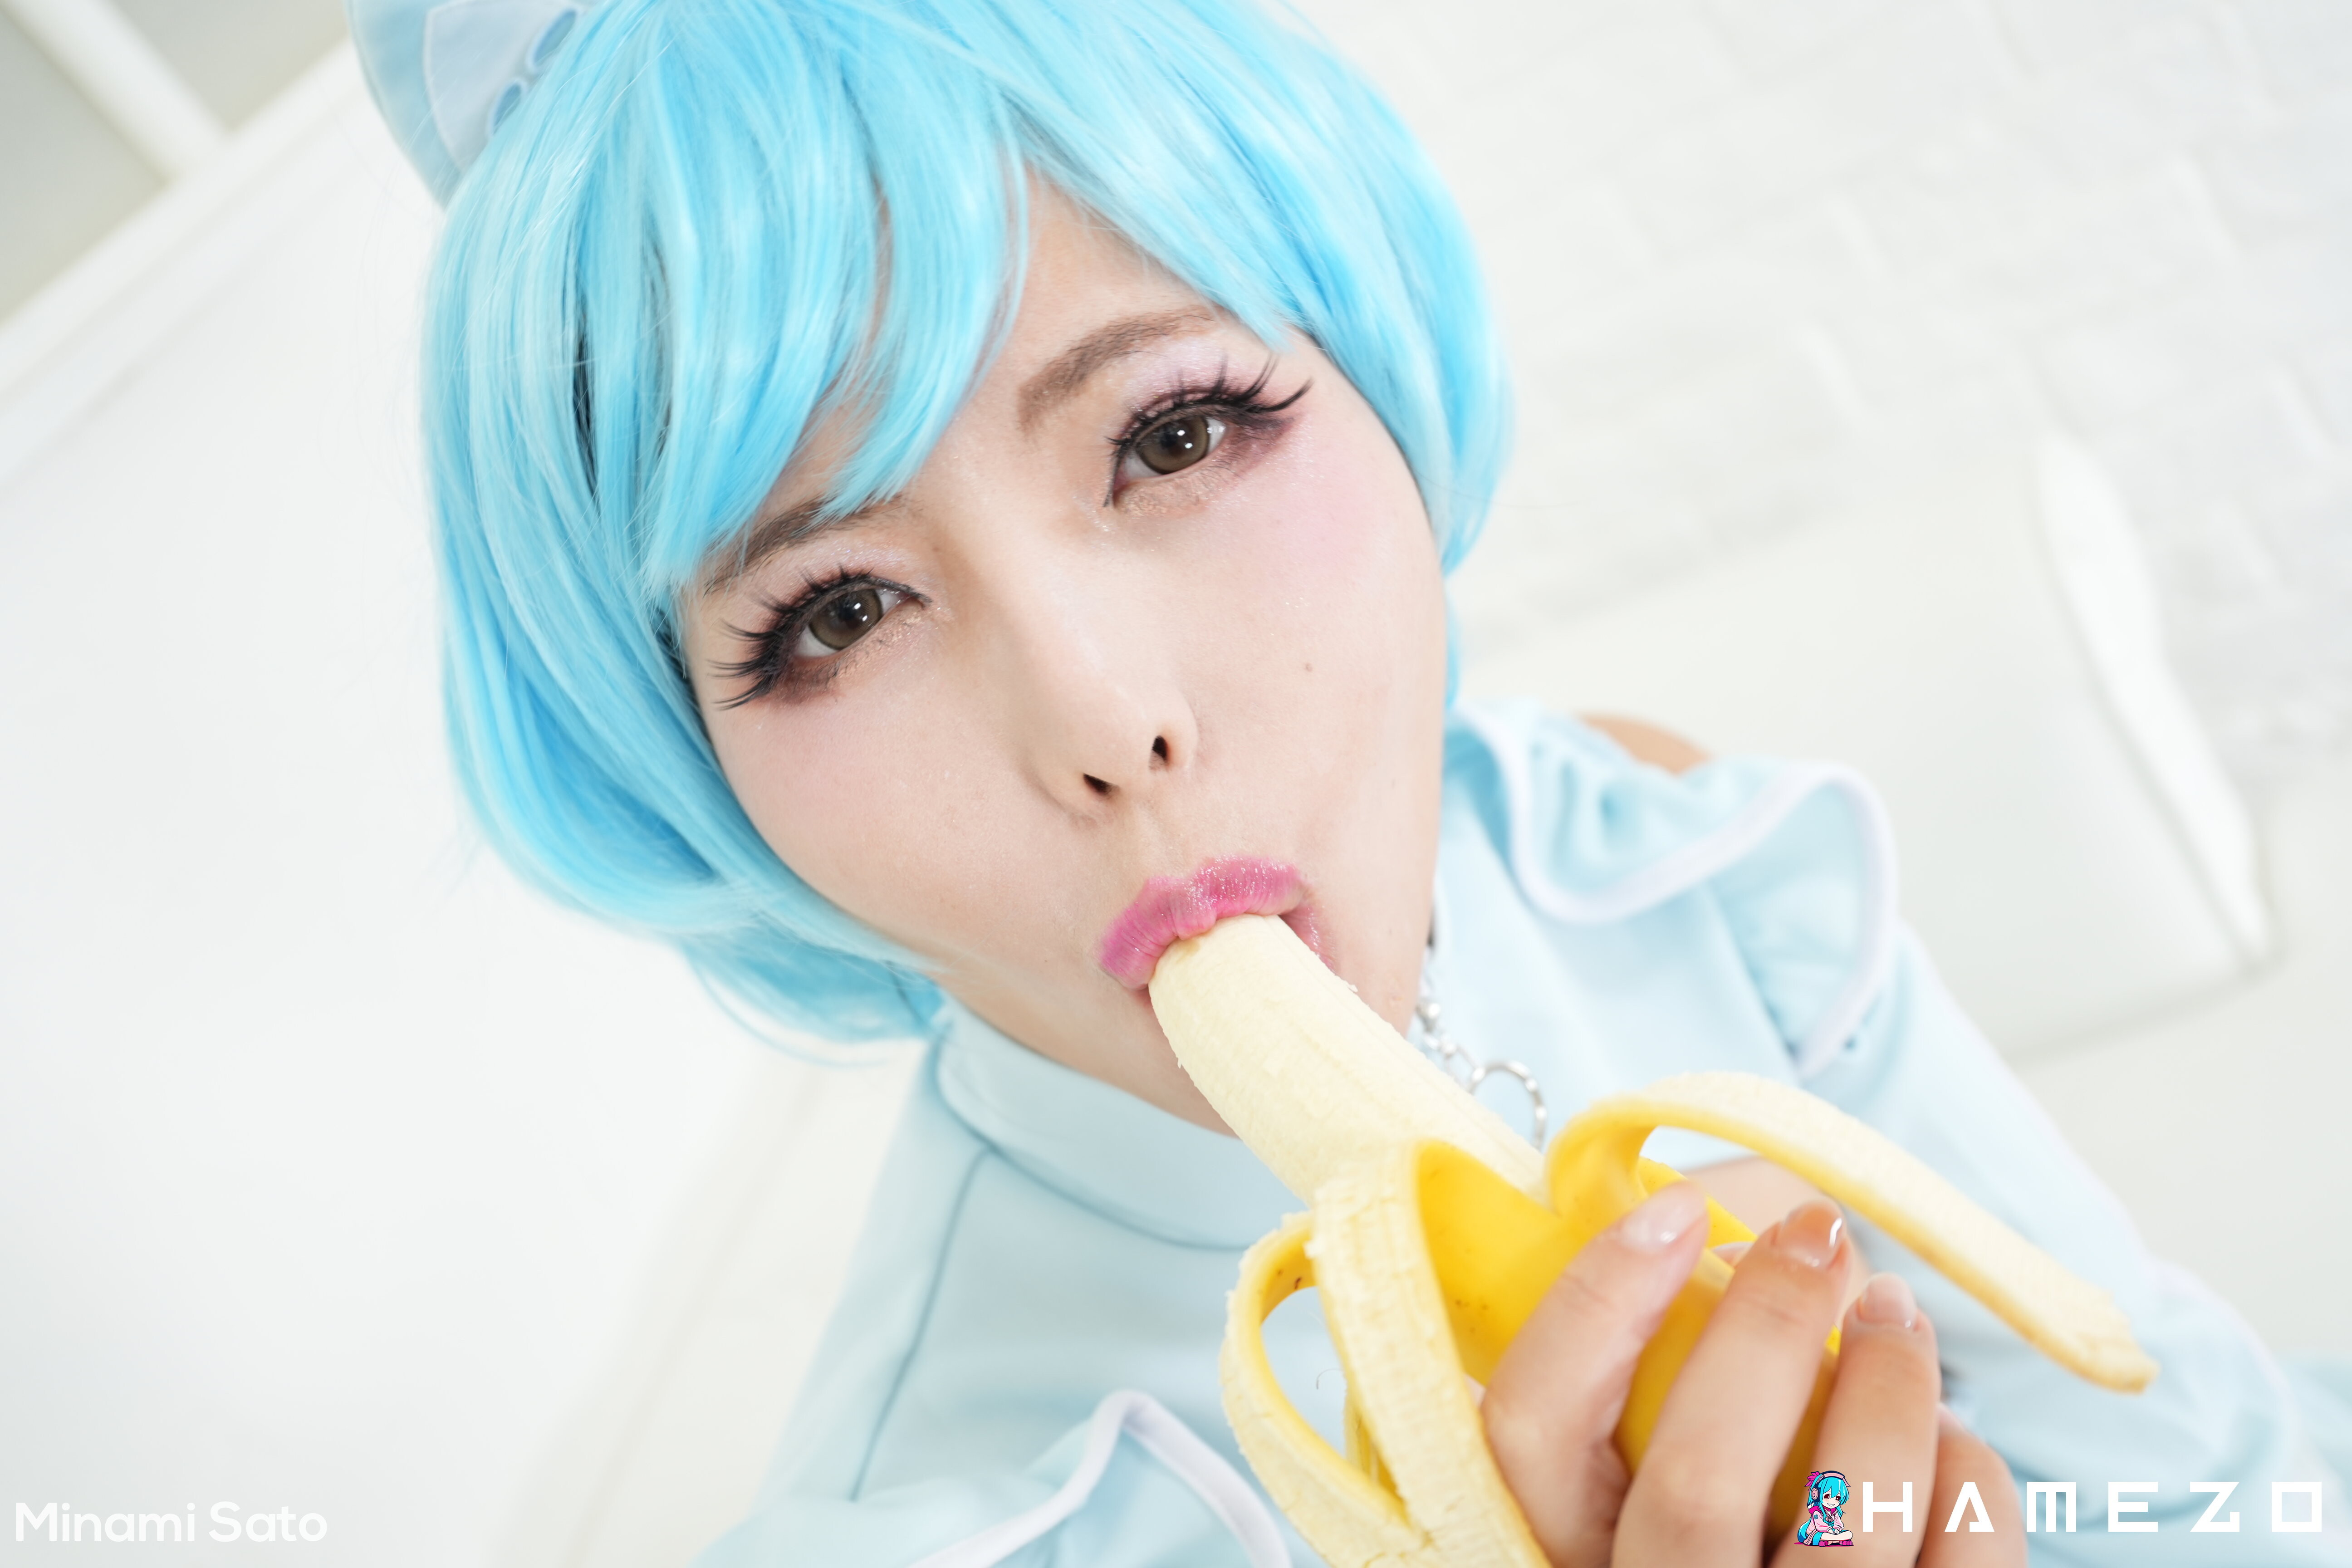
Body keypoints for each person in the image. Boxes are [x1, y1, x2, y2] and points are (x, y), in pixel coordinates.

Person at [347, 0, 2350, 1562]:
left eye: (1174, 434)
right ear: (691, 772)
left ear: (1381, 385)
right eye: (838, 613)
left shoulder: (1634, 852)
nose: (1106, 719)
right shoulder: (969, 1521)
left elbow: (2206, 1469)